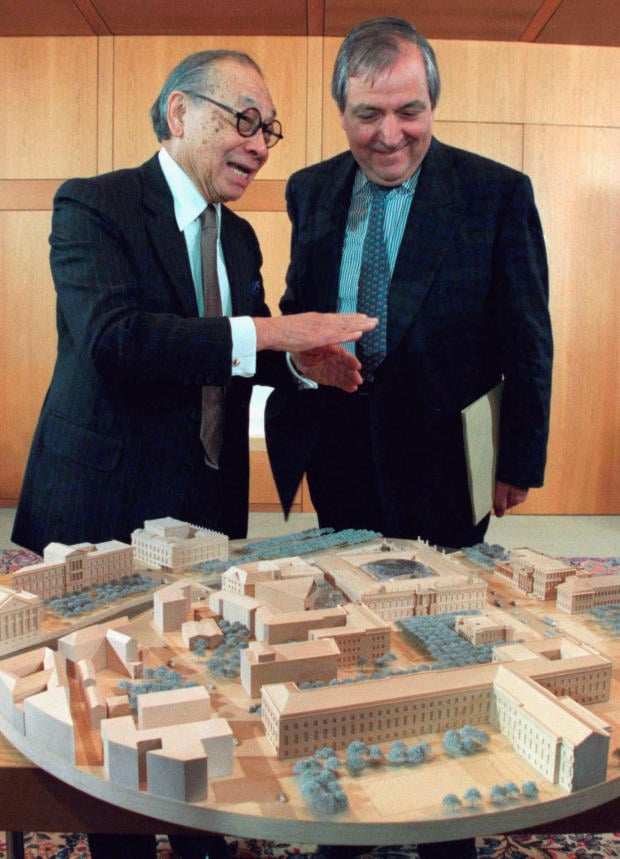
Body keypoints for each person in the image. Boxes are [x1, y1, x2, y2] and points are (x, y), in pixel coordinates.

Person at [11, 49, 375, 859]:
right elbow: (118, 341)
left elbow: (231, 352)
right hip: (101, 508)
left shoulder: (239, 239)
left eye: (268, 130)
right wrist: (274, 333)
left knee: (202, 690)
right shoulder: (94, 206)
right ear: (180, 113)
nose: (260, 144)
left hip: (207, 507)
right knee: (113, 725)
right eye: (245, 120)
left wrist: (297, 364)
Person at [266, 16, 553, 552]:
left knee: (437, 608)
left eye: (408, 112)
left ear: (432, 106)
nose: (389, 134)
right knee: (345, 594)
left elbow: (529, 340)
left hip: (444, 456)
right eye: (368, 114)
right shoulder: (309, 189)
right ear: (342, 113)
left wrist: (518, 459)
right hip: (338, 447)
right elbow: (298, 309)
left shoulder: (496, 193)